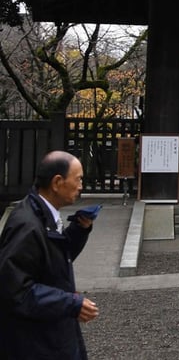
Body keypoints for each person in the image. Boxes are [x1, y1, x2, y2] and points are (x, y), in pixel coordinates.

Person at [0, 150, 100, 359]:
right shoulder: (27, 225)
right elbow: (16, 290)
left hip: (50, 331)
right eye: (78, 179)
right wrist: (71, 303)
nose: (81, 186)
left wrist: (79, 231)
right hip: (36, 342)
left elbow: (52, 261)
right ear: (57, 182)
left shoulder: (42, 213)